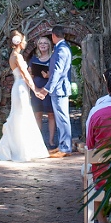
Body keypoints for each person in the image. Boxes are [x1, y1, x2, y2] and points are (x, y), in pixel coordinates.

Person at [0, 30, 50, 162]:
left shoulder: (13, 56)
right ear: (20, 42)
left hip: (19, 87)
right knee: (22, 116)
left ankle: (19, 148)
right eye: (24, 41)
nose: (26, 43)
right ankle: (21, 151)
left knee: (19, 116)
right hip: (21, 88)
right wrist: (36, 90)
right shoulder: (17, 57)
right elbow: (25, 75)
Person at [39, 26, 73, 157]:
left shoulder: (61, 50)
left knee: (63, 119)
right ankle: (63, 146)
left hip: (60, 89)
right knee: (60, 119)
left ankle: (65, 148)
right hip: (59, 89)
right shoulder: (61, 48)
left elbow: (58, 72)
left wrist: (47, 88)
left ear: (53, 36)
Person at [29, 36, 55, 144]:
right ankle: (38, 142)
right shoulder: (34, 58)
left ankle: (51, 141)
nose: (43, 45)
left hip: (49, 91)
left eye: (45, 43)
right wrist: (35, 88)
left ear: (49, 45)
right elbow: (29, 73)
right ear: (38, 46)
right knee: (38, 115)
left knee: (51, 115)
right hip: (36, 91)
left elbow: (56, 74)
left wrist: (48, 76)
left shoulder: (52, 58)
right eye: (41, 43)